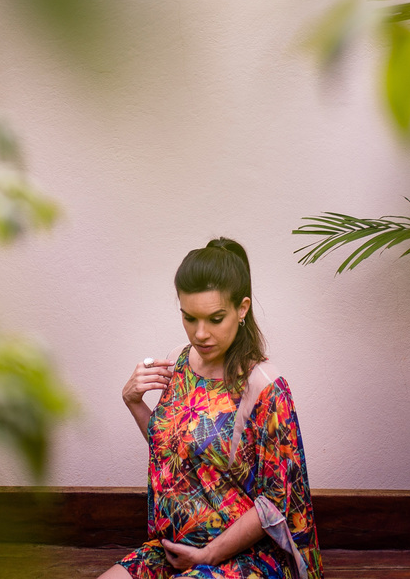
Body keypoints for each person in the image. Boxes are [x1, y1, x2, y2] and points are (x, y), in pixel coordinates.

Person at [99, 238, 322, 579]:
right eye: (189, 318)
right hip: (174, 549)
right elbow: (173, 451)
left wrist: (207, 555)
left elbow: (274, 502)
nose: (200, 334)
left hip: (247, 558)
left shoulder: (265, 387)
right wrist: (133, 402)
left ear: (242, 309)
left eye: (215, 319)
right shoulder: (178, 361)